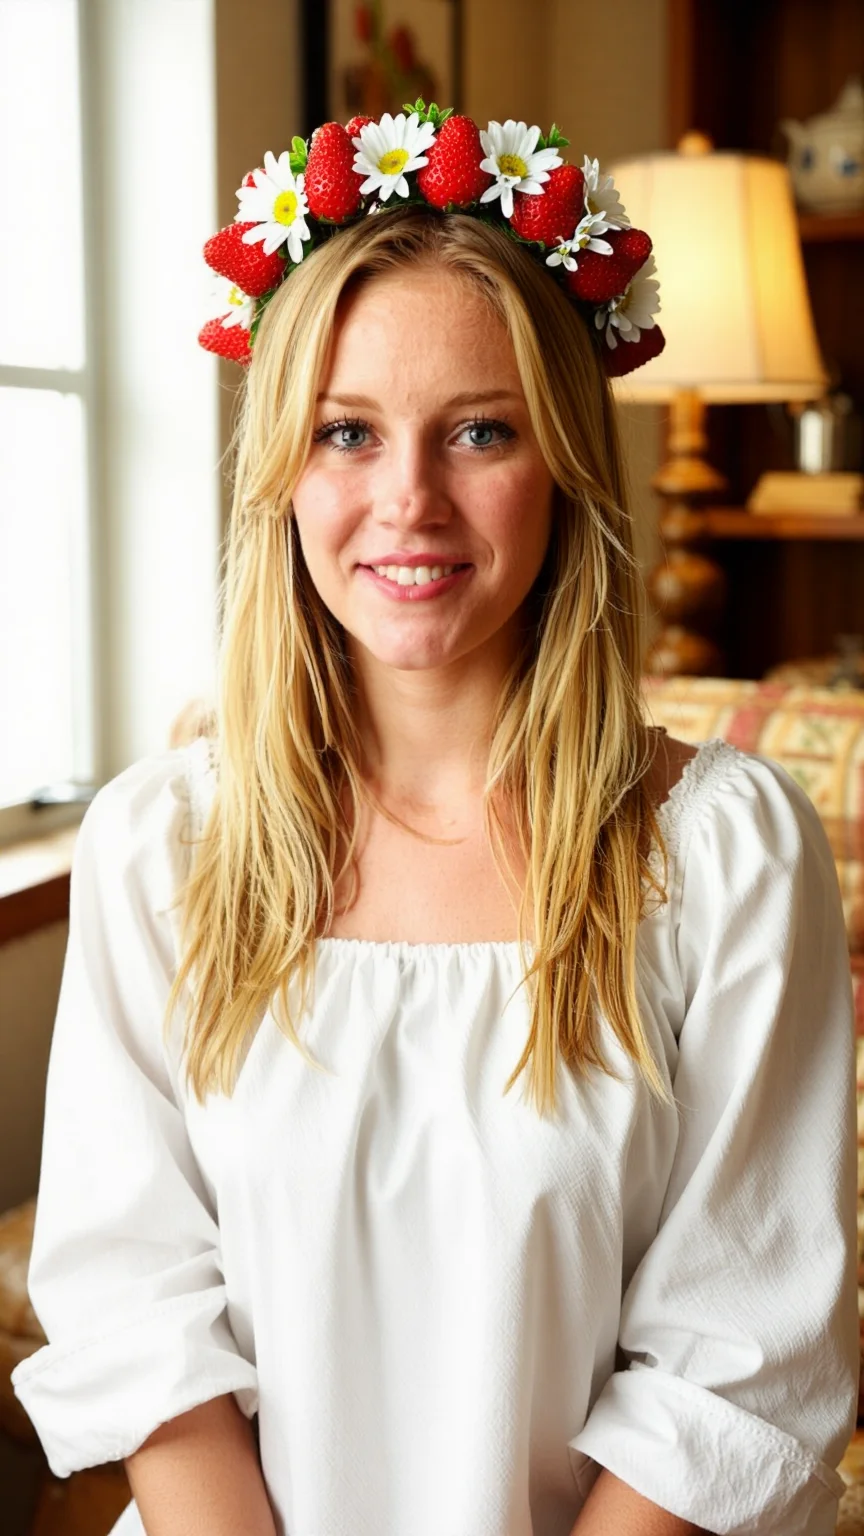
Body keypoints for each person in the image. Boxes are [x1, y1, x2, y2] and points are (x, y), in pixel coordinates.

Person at [11, 105, 859, 1536]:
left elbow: (740, 1353)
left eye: (479, 431)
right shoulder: (163, 848)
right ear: (283, 468)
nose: (409, 501)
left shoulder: (721, 857)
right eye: (349, 432)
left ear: (564, 467)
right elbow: (132, 1296)